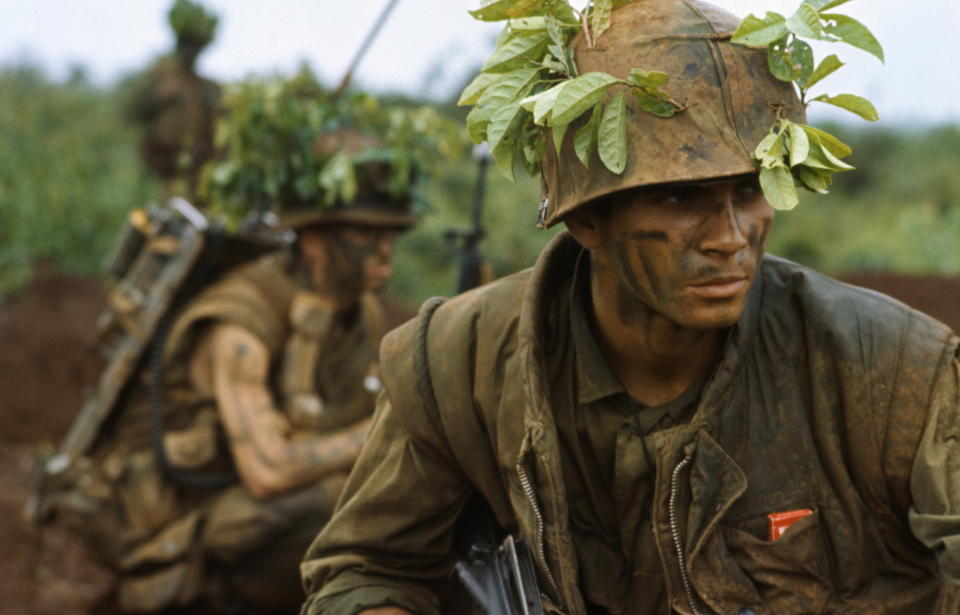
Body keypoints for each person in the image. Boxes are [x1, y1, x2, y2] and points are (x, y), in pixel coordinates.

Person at [300, 1, 960, 614]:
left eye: (751, 189)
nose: (730, 236)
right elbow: (366, 568)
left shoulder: (892, 369)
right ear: (587, 219)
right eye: (681, 198)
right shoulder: (458, 365)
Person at [46, 89, 433, 613]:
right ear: (313, 237)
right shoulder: (239, 322)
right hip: (178, 520)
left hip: (252, 504)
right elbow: (268, 471)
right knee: (339, 509)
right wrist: (380, 434)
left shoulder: (356, 309)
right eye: (366, 232)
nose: (385, 248)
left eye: (393, 233)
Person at [128, 0, 221, 203]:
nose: (192, 51)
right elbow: (130, 111)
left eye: (196, 45)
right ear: (179, 42)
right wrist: (158, 98)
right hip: (166, 173)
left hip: (200, 177)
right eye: (188, 43)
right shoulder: (159, 75)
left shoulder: (206, 85)